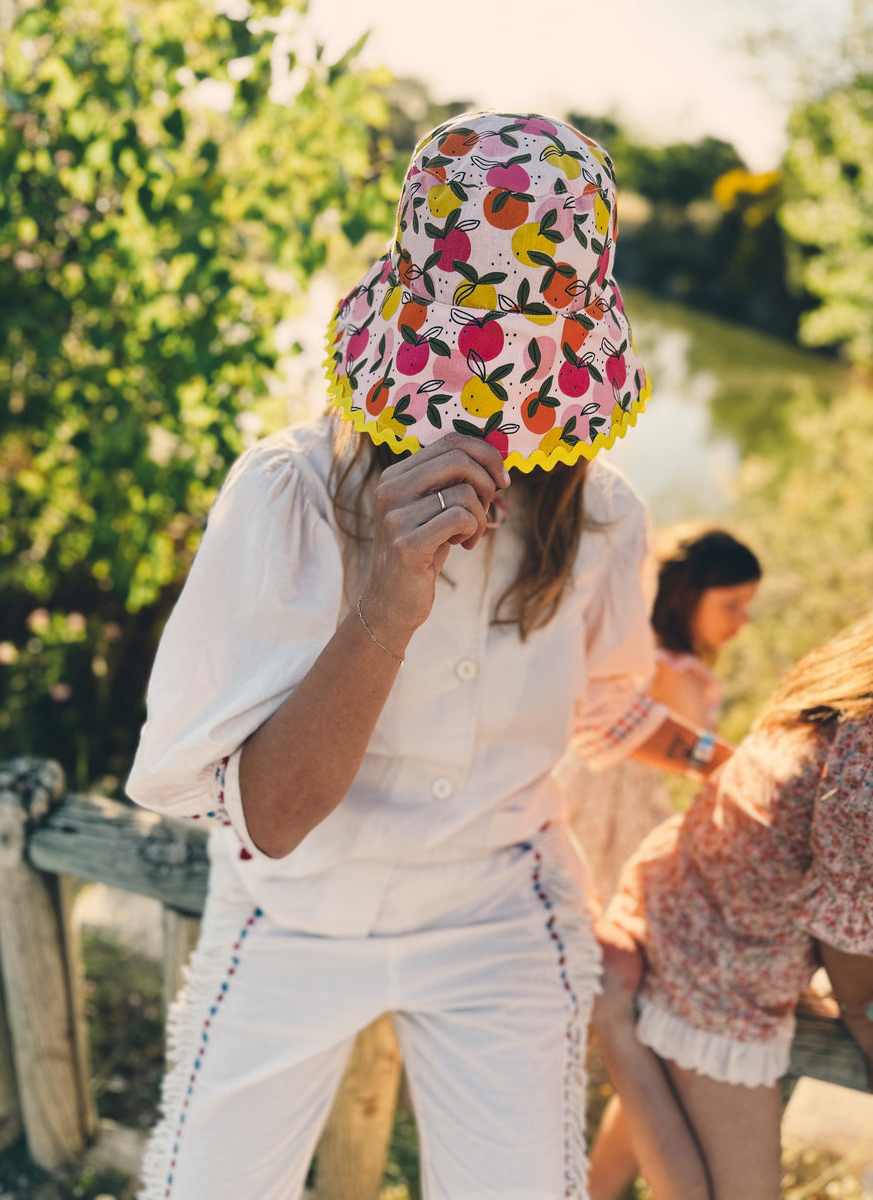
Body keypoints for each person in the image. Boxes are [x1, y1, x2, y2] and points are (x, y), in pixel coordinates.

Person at [126, 110, 730, 1200]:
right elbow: (268, 817)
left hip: (500, 909)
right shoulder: (291, 495)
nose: (491, 418)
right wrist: (383, 608)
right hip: (295, 908)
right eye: (467, 368)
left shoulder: (604, 523)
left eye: (523, 375)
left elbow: (604, 711)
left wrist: (733, 766)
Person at [591, 612, 873, 1200]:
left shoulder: (849, 669)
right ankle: (612, 1013)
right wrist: (862, 1020)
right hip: (723, 959)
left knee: (670, 1100)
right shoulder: (865, 765)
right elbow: (849, 952)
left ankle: (583, 1190)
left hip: (685, 890)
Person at [561, 525, 762, 908]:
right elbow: (703, 751)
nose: (742, 620)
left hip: (585, 784)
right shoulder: (674, 671)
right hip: (615, 804)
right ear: (684, 599)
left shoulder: (646, 657)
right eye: (731, 605)